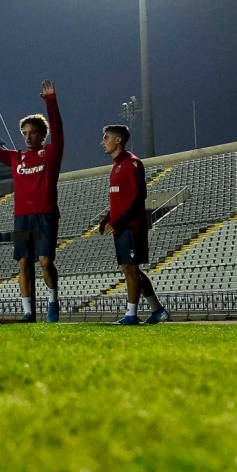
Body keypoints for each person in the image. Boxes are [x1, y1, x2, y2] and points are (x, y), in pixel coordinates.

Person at [0, 80, 65, 322]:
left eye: (33, 133)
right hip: (21, 216)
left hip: (45, 214)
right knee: (23, 264)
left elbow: (60, 132)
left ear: (42, 134)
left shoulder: (50, 153)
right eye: (25, 134)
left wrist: (51, 101)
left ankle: (53, 301)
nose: (28, 137)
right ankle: (28, 312)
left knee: (44, 261)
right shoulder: (15, 157)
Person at [98, 124, 169, 325]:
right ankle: (158, 310)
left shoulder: (132, 163)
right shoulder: (117, 165)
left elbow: (139, 195)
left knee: (130, 268)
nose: (102, 142)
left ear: (118, 140)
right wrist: (106, 220)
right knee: (133, 270)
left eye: (106, 137)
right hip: (122, 226)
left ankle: (131, 315)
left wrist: (118, 221)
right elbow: (120, 201)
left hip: (131, 226)